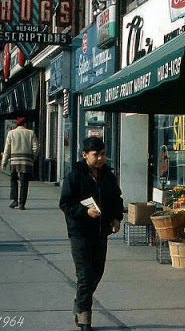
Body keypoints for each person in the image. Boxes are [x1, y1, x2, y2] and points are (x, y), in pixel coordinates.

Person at [59, 137, 124, 331]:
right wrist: (84, 212)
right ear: (84, 155)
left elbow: (116, 199)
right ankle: (85, 319)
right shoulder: (75, 176)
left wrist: (116, 217)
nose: (100, 158)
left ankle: (79, 304)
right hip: (80, 232)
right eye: (96, 155)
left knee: (97, 272)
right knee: (85, 276)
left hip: (100, 232)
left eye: (103, 154)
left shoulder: (108, 176)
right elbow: (65, 203)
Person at [1, 117, 39, 210]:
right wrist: (32, 157)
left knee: (13, 180)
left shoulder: (11, 133)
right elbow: (36, 148)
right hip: (26, 161)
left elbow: (7, 149)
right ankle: (22, 203)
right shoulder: (31, 133)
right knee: (24, 182)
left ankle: (14, 200)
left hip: (14, 161)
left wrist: (4, 162)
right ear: (25, 124)